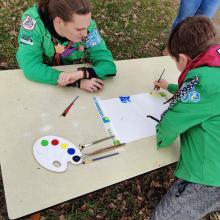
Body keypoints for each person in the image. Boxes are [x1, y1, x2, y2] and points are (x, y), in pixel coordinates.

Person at [151, 16, 220, 220]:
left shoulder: (203, 81)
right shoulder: (214, 65)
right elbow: (205, 98)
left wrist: (159, 138)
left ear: (182, 58)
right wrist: (169, 87)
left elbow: (172, 122)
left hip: (210, 177)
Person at [16, 0, 116, 92]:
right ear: (59, 21)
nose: (86, 34)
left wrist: (81, 74)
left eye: (87, 25)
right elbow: (31, 67)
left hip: (68, 72)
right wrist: (75, 82)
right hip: (44, 82)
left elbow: (108, 66)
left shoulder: (86, 26)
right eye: (79, 29)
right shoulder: (33, 25)